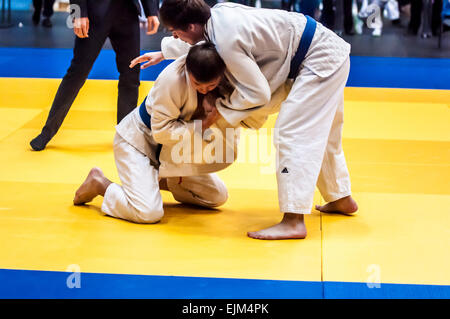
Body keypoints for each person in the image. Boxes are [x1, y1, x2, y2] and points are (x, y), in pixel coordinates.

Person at [130, 0, 358, 240]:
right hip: (324, 49)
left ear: (191, 26)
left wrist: (222, 112)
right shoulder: (217, 16)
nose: (176, 37)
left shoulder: (225, 39)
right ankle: (340, 197)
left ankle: (294, 220)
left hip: (318, 59)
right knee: (326, 132)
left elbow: (258, 93)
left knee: (293, 133)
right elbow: (207, 45)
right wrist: (164, 52)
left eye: (176, 33)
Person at [73, 43, 240, 224]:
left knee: (216, 196)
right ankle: (100, 184)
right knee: (148, 213)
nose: (204, 89)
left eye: (211, 85)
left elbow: (197, 42)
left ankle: (154, 182)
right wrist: (206, 123)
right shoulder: (171, 81)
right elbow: (161, 133)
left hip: (172, 152)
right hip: (139, 143)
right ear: (188, 70)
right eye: (197, 83)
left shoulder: (227, 77)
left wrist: (164, 52)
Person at [29, 0, 160, 151]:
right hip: (92, 15)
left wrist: (151, 11)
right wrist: (78, 14)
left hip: (127, 13)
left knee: (131, 76)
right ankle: (47, 132)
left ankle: (126, 135)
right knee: (77, 73)